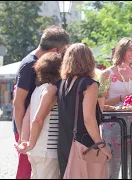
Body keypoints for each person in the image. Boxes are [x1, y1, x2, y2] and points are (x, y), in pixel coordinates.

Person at [12, 25, 70, 179]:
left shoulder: (36, 64)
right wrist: (23, 137)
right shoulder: (28, 65)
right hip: (30, 131)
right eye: (63, 50)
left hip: (32, 128)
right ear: (55, 51)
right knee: (25, 173)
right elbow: (18, 102)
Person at [57, 43, 112, 177]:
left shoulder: (62, 83)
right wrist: (101, 144)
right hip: (83, 143)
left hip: (64, 142)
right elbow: (88, 119)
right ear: (89, 60)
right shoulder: (89, 84)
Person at [101, 37, 132, 179]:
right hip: (113, 122)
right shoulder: (106, 74)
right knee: (112, 165)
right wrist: (120, 98)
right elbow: (101, 102)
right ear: (121, 50)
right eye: (129, 50)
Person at [15, 52, 63, 179]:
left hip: (37, 151)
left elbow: (27, 118)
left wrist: (25, 141)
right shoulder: (51, 90)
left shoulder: (38, 90)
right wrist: (30, 143)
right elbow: (37, 120)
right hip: (47, 150)